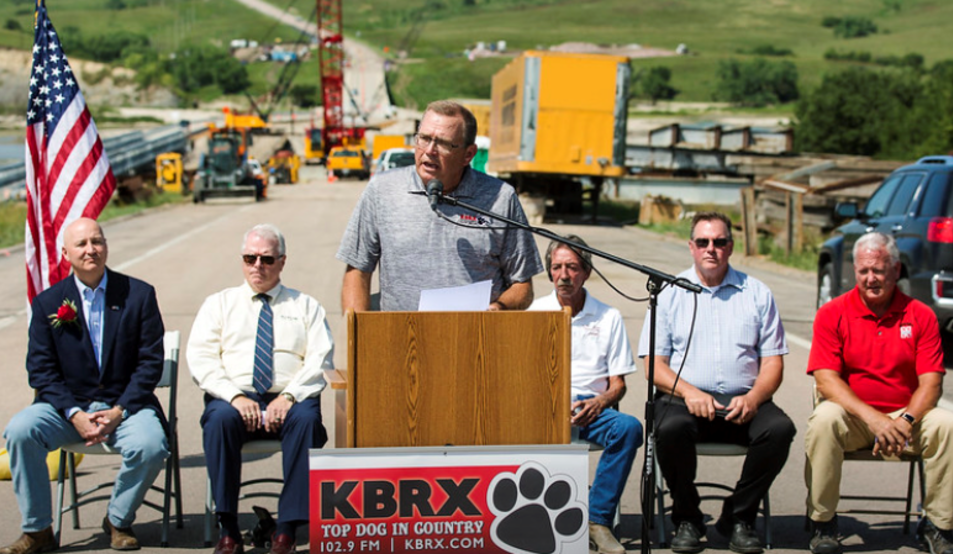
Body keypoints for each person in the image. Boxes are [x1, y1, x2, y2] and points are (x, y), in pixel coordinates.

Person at [0, 218, 169, 554]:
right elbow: (41, 370)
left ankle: (118, 520)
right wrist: (74, 413)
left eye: (97, 241)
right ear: (66, 253)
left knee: (151, 445)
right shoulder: (49, 304)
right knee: (20, 431)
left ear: (106, 246)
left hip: (126, 407)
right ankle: (37, 531)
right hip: (68, 409)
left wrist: (120, 410)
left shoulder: (138, 294)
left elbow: (150, 363)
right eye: (81, 244)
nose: (91, 249)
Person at [638, 212, 795, 554]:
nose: (712, 249)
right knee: (668, 428)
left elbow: (773, 362)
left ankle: (738, 518)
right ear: (691, 247)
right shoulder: (669, 293)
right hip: (684, 402)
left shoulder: (757, 293)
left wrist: (754, 398)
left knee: (781, 429)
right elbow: (653, 365)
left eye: (719, 242)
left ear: (731, 247)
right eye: (704, 242)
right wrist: (689, 391)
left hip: (744, 404)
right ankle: (687, 519)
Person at [188, 224, 333, 554]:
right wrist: (235, 396)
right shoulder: (219, 304)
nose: (257, 266)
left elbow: (320, 357)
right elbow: (201, 357)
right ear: (242, 260)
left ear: (282, 262)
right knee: (219, 420)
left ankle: (286, 530)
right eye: (250, 258)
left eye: (266, 259)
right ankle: (228, 529)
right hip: (235, 396)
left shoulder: (305, 306)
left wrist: (289, 396)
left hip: (290, 395)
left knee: (308, 422)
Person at [806, 232, 953, 554]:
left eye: (879, 270)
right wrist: (874, 419)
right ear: (854, 271)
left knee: (948, 424)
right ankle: (823, 522)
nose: (871, 278)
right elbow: (826, 380)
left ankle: (939, 526)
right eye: (863, 271)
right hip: (856, 419)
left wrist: (905, 418)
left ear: (896, 270)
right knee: (824, 419)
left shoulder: (921, 315)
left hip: (906, 419)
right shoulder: (832, 313)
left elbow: (931, 384)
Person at [337, 99, 543, 312]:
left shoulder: (501, 198)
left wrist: (498, 308)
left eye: (444, 143)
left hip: (476, 340)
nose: (429, 151)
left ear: (468, 154)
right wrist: (357, 335)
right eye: (424, 138)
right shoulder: (382, 190)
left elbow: (523, 287)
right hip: (401, 339)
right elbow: (358, 270)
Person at [529, 236, 643, 554]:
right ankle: (532, 518)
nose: (564, 275)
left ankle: (597, 520)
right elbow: (523, 377)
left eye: (572, 267)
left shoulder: (609, 316)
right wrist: (550, 401)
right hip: (546, 406)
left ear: (587, 272)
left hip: (592, 407)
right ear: (550, 272)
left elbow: (618, 384)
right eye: (557, 267)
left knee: (629, 428)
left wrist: (599, 402)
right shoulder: (534, 312)